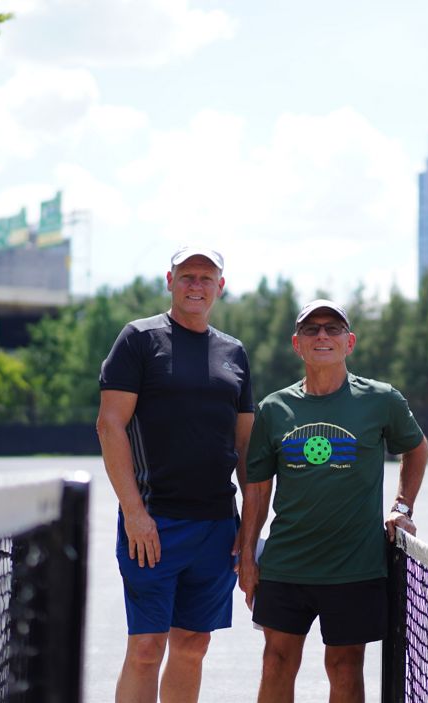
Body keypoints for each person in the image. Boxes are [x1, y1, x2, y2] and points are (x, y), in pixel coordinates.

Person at [238, 299, 428, 703]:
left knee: (344, 667)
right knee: (276, 662)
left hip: (355, 566)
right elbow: (257, 487)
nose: (322, 335)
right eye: (311, 329)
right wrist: (248, 556)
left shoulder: (381, 400)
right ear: (297, 344)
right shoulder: (274, 409)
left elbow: (416, 448)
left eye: (332, 328)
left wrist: (402, 506)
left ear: (349, 342)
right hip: (286, 564)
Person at [96, 245, 254, 703]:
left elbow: (246, 445)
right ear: (170, 281)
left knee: (193, 644)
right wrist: (134, 513)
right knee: (146, 647)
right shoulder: (139, 339)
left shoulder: (234, 352)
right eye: (187, 276)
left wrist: (248, 529)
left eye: (206, 278)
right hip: (154, 524)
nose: (196, 285)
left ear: (220, 287)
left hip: (217, 527)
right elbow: (110, 425)